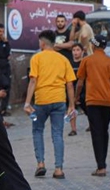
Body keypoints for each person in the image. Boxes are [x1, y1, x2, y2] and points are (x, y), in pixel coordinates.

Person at [24, 30, 76, 179]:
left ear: (42, 42)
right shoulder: (63, 59)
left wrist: (27, 102)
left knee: (37, 130)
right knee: (57, 134)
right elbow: (70, 84)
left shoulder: (36, 58)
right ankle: (58, 169)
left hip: (40, 102)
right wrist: (71, 105)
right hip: (59, 101)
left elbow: (33, 81)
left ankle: (41, 164)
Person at [75, 35, 110, 176]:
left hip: (92, 102)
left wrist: (76, 98)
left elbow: (80, 83)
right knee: (104, 130)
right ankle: (103, 163)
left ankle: (101, 166)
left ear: (93, 46)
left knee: (96, 132)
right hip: (109, 102)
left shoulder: (87, 61)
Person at [68, 43, 85, 136]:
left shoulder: (85, 62)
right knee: (71, 107)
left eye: (78, 50)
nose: (75, 52)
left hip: (84, 89)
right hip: (72, 89)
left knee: (88, 109)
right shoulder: (69, 63)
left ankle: (92, 125)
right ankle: (73, 129)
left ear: (82, 52)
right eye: (74, 50)